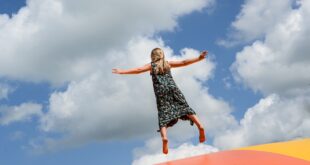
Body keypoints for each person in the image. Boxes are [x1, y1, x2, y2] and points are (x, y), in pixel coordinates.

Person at [112, 48, 207, 154]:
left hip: (161, 92)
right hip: (173, 88)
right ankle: (200, 126)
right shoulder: (167, 63)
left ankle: (165, 138)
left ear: (152, 56)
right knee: (185, 107)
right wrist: (199, 58)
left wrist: (122, 72)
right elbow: (184, 62)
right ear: (162, 55)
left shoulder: (151, 66)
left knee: (163, 115)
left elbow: (138, 70)